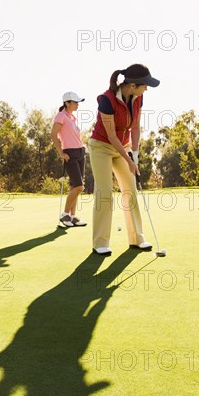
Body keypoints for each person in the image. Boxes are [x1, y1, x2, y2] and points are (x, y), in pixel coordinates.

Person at [88, 64, 160, 255]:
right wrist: (129, 161)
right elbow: (111, 135)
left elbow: (135, 127)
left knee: (130, 190)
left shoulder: (138, 98)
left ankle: (137, 239)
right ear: (134, 84)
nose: (146, 89)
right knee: (104, 193)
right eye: (145, 85)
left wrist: (134, 154)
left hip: (124, 145)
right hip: (101, 146)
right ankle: (100, 243)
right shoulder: (106, 99)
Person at [51, 91, 87, 227]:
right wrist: (61, 153)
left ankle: (72, 216)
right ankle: (65, 215)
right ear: (67, 103)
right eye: (75, 102)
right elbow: (53, 135)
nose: (77, 104)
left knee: (74, 186)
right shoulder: (61, 116)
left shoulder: (72, 118)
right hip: (69, 153)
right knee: (79, 186)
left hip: (80, 152)